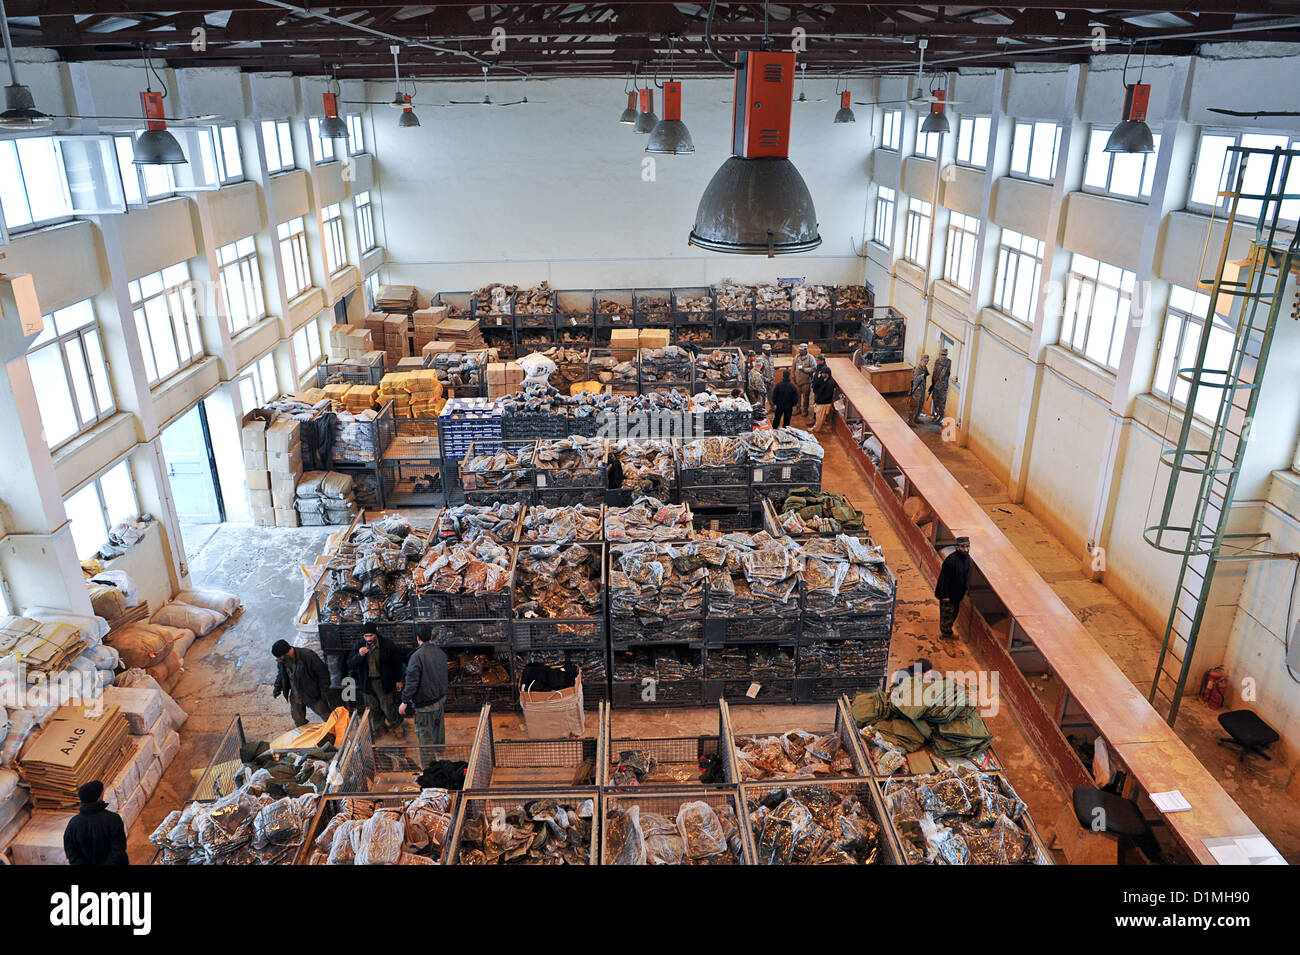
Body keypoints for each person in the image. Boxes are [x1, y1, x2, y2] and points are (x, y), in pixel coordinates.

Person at [399, 625, 449, 751]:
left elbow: (411, 682)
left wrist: (405, 701)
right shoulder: (440, 652)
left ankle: (429, 766)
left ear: (417, 638)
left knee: (425, 736)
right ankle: (440, 756)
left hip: (425, 705)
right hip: (439, 700)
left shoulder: (416, 657)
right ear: (431, 637)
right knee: (438, 731)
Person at [347, 629, 407, 734]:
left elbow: (397, 663)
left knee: (388, 707)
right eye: (366, 635)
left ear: (376, 634)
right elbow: (350, 663)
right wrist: (359, 655)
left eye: (371, 635)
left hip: (383, 682)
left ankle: (397, 726)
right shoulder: (359, 645)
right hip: (367, 683)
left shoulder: (387, 644)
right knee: (373, 708)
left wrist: (398, 680)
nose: (368, 638)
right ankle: (380, 729)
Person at [63, 781, 128, 865]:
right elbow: (118, 849)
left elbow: (71, 851)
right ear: (100, 796)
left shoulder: (73, 824)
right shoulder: (113, 819)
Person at [272, 639, 334, 727]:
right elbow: (281, 674)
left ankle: (336, 734)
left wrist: (324, 692)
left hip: (312, 694)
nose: (278, 659)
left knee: (327, 717)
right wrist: (277, 687)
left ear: (286, 653)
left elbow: (323, 674)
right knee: (298, 721)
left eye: (279, 657)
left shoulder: (308, 656)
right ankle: (306, 738)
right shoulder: (283, 661)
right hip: (296, 695)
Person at [934, 536, 972, 639]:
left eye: (967, 546)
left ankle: (948, 632)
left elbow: (966, 575)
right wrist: (945, 596)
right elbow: (943, 580)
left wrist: (966, 589)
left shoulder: (966, 558)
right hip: (948, 595)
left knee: (954, 614)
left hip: (957, 594)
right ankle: (946, 636)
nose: (965, 549)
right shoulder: (951, 561)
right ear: (957, 547)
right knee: (947, 616)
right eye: (962, 547)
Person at [792, 342, 818, 417]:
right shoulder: (797, 357)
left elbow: (814, 368)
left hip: (806, 381)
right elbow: (793, 367)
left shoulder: (811, 358)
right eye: (799, 350)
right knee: (797, 396)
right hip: (797, 381)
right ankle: (798, 409)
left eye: (802, 350)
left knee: (806, 397)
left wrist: (805, 370)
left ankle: (805, 410)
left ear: (806, 350)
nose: (800, 351)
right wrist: (793, 376)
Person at [812, 365, 838, 433]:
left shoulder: (830, 383)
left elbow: (827, 395)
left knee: (819, 418)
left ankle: (816, 429)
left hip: (824, 403)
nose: (821, 374)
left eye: (823, 373)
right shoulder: (824, 379)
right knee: (819, 417)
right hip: (821, 401)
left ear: (827, 374)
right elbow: (816, 385)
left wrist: (818, 401)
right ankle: (817, 427)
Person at [929, 347, 952, 422]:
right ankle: (936, 415)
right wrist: (932, 384)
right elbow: (934, 373)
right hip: (936, 386)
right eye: (942, 354)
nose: (943, 356)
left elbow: (948, 374)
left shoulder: (949, 362)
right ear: (940, 354)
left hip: (943, 387)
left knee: (942, 403)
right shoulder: (937, 361)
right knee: (935, 401)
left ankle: (941, 417)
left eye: (945, 355)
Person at [909, 354, 931, 425]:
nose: (926, 362)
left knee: (921, 404)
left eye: (927, 361)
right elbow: (916, 379)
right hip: (917, 390)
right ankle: (911, 420)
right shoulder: (918, 368)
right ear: (921, 360)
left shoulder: (925, 368)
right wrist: (922, 376)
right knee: (914, 405)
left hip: (922, 389)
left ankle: (916, 418)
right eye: (925, 361)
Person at [756, 343, 776, 408]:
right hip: (763, 381)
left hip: (771, 380)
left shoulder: (771, 357)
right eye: (767, 350)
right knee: (763, 395)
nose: (769, 351)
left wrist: (772, 378)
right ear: (763, 350)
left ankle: (772, 406)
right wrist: (765, 379)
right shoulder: (759, 359)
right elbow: (757, 372)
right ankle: (763, 408)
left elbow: (772, 368)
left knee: (771, 394)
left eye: (769, 350)